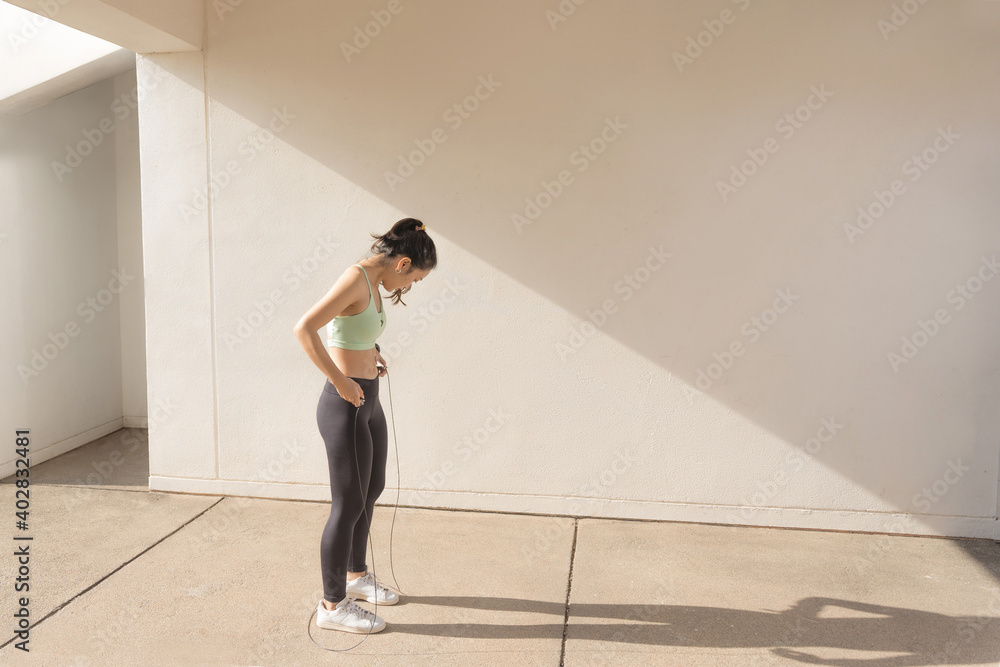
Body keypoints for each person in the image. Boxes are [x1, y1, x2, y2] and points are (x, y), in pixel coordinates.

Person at [293, 217, 437, 634]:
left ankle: (356, 578)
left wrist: (370, 350)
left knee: (372, 489)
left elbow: (348, 328)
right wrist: (341, 381)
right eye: (414, 279)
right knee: (348, 504)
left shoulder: (375, 283)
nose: (410, 287)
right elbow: (305, 329)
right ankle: (332, 605)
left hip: (367, 400)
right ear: (402, 263)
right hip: (345, 404)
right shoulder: (356, 279)